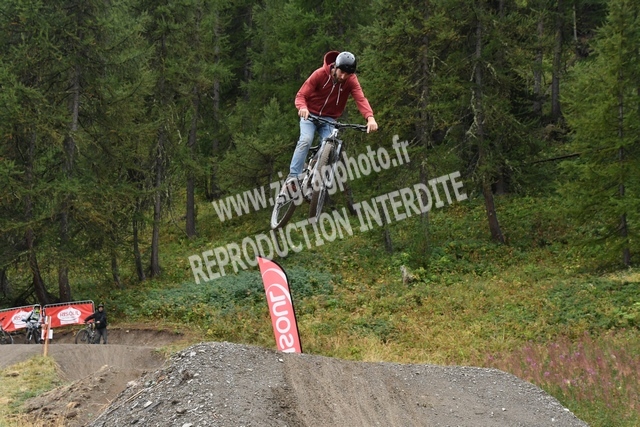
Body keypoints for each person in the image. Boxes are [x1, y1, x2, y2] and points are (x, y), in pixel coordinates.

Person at [285, 51, 378, 191]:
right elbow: (301, 95)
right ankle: (293, 177)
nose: (343, 77)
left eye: (348, 74)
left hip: (329, 119)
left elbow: (360, 99)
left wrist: (370, 118)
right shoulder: (319, 74)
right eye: (342, 72)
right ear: (335, 66)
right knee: (306, 140)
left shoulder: (351, 81)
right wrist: (302, 107)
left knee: (331, 147)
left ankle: (316, 182)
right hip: (310, 115)